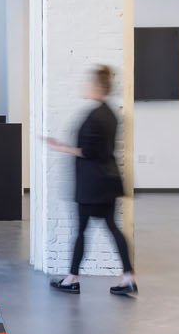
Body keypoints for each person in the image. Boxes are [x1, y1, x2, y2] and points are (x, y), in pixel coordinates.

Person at [45, 65, 138, 297]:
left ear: (97, 87)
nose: (86, 87)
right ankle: (128, 277)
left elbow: (88, 151)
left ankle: (71, 279)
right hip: (108, 181)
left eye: (89, 84)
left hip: (91, 184)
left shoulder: (94, 116)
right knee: (113, 228)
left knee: (81, 231)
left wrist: (61, 147)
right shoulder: (111, 114)